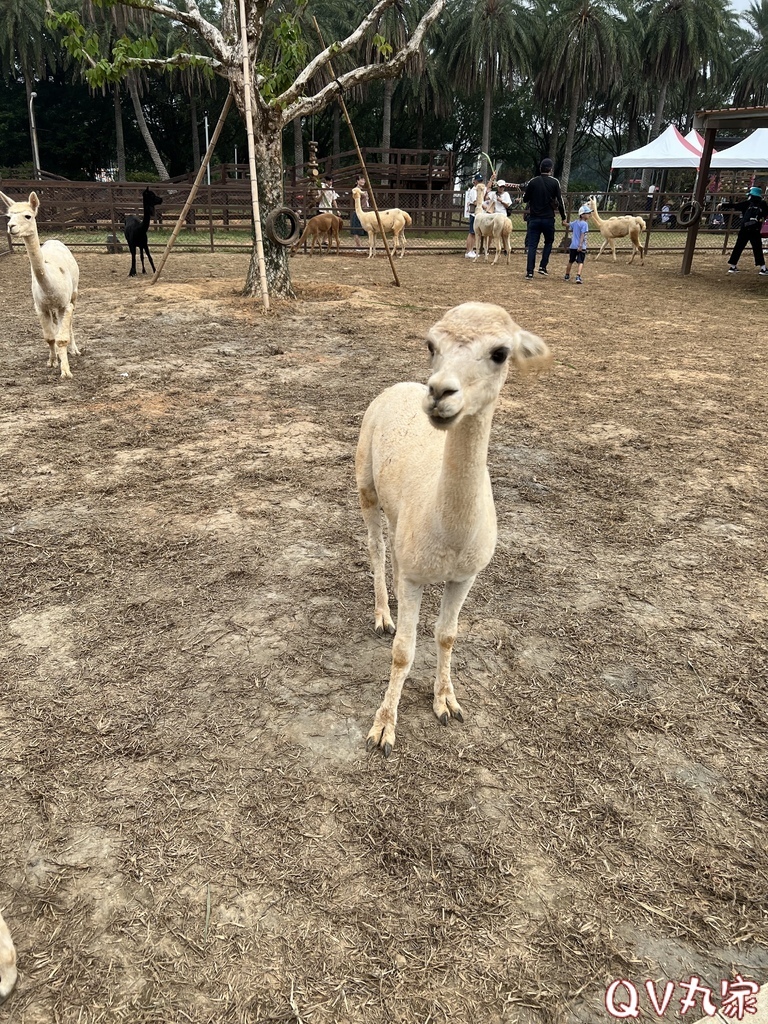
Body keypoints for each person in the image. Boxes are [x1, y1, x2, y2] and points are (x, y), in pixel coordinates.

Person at [522, 158, 567, 279]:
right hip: (548, 218)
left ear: (540, 168)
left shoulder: (533, 182)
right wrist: (564, 217)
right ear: (551, 170)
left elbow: (525, 199)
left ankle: (529, 272)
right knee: (548, 242)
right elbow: (560, 201)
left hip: (534, 218)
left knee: (532, 245)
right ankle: (542, 266)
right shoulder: (554, 182)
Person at [719, 186, 768, 275]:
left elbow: (735, 206)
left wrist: (722, 205)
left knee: (738, 247)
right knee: (757, 248)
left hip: (744, 228)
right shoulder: (763, 204)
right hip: (755, 229)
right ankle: (763, 268)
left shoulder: (747, 204)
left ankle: (732, 266)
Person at [563, 203, 591, 284]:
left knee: (571, 261)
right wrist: (580, 245)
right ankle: (578, 276)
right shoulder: (585, 224)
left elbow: (568, 225)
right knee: (580, 262)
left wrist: (564, 223)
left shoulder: (575, 222)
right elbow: (582, 234)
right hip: (581, 246)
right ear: (582, 215)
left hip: (572, 246)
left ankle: (567, 275)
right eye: (588, 213)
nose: (589, 215)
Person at [463, 173, 483, 258]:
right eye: (478, 181)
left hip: (477, 214)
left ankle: (471, 250)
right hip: (474, 214)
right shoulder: (473, 190)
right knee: (472, 233)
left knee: (474, 233)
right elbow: (475, 201)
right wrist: (482, 205)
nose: (480, 183)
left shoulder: (479, 190)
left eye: (481, 181)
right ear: (474, 181)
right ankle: (469, 251)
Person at [349, 175, 369, 251]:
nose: (363, 181)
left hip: (365, 210)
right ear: (357, 181)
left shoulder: (363, 190)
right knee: (356, 229)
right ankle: (358, 246)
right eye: (361, 179)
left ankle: (361, 245)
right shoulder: (356, 190)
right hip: (359, 211)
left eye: (364, 180)